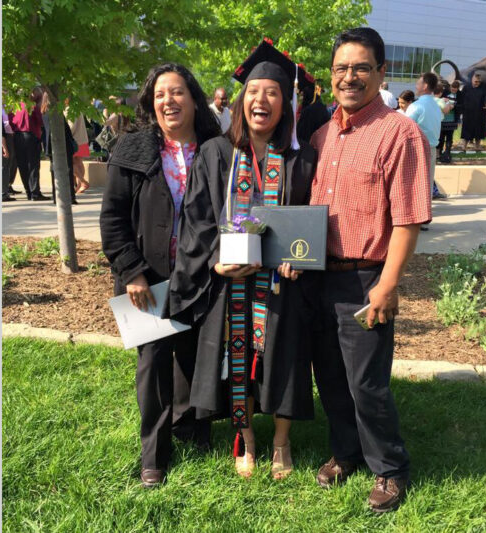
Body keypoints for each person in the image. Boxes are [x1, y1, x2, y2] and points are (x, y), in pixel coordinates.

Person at [167, 39, 318, 480]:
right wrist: (215, 262)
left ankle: (281, 443)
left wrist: (299, 259)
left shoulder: (300, 157)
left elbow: (309, 221)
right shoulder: (216, 154)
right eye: (254, 92)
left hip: (281, 285)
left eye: (272, 92)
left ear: (284, 103)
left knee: (285, 358)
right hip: (229, 284)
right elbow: (196, 219)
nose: (262, 100)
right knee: (238, 359)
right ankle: (246, 437)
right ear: (241, 100)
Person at [308, 27, 431, 513]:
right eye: (341, 68)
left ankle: (390, 469)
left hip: (366, 278)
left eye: (361, 67)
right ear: (331, 75)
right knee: (332, 378)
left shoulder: (400, 133)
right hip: (319, 276)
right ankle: (346, 453)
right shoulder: (321, 135)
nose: (350, 77)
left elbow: (408, 218)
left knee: (367, 383)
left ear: (381, 72)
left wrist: (388, 284)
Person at [100, 63, 221, 489]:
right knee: (153, 366)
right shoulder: (133, 149)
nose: (169, 100)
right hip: (145, 279)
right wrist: (130, 270)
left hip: (200, 275)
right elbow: (112, 218)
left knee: (193, 356)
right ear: (152, 103)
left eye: (178, 92)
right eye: (160, 94)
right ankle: (153, 453)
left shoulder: (215, 146)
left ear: (193, 97)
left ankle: (191, 427)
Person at [406, 72, 448, 211]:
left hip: (417, 149)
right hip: (431, 148)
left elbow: (405, 128)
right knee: (427, 183)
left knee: (414, 183)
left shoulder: (417, 106)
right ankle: (424, 215)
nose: (416, 85)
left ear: (425, 86)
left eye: (418, 82)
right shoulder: (436, 106)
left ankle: (415, 216)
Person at [11, 86, 50, 201]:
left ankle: (29, 191)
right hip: (31, 135)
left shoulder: (15, 106)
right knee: (33, 165)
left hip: (17, 136)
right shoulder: (32, 106)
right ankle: (35, 192)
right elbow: (40, 121)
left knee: (22, 165)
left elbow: (11, 121)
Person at [40, 92, 78, 205]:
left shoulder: (44, 112)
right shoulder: (55, 112)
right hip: (62, 145)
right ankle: (70, 196)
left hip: (50, 146)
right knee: (68, 170)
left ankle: (56, 196)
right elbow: (65, 130)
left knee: (54, 171)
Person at [460, 72, 486, 151]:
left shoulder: (485, 87)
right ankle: (464, 146)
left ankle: (477, 146)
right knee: (467, 130)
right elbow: (461, 99)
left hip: (480, 113)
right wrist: (461, 111)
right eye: (475, 82)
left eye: (479, 82)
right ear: (472, 80)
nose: (477, 83)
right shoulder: (466, 87)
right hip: (468, 113)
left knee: (479, 131)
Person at [64, 101, 92, 194]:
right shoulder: (77, 108)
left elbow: (71, 126)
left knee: (71, 163)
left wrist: (65, 135)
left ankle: (83, 182)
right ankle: (80, 185)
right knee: (79, 163)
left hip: (74, 141)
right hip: (81, 139)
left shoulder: (69, 110)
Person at [437, 81, 459, 163]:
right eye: (452, 88)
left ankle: (447, 153)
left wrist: (454, 106)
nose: (453, 90)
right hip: (443, 119)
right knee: (441, 137)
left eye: (455, 89)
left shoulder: (460, 95)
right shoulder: (444, 93)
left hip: (452, 120)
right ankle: (439, 153)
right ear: (450, 87)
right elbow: (439, 101)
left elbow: (462, 105)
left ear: (457, 88)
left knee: (449, 138)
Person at [2, 122, 15, 202]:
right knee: (4, 168)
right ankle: (3, 193)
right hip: (4, 141)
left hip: (6, 138)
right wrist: (4, 148)